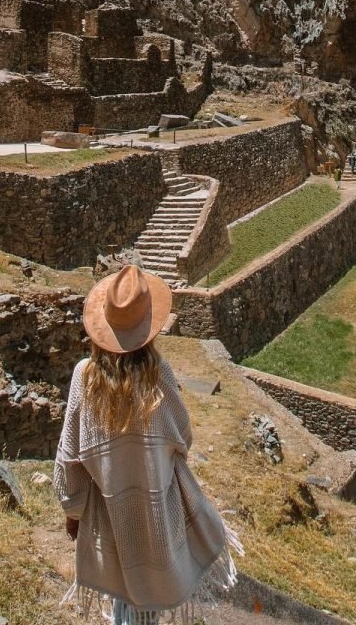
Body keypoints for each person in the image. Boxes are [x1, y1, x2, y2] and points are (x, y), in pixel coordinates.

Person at [54, 263, 242, 622]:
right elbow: (182, 437)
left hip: (110, 511)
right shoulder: (159, 376)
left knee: (123, 594)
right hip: (155, 508)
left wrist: (73, 511)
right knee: (146, 603)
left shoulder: (85, 377)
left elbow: (69, 458)